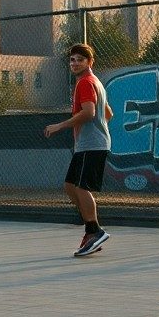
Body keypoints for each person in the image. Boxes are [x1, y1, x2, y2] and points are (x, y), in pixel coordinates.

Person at [44, 43, 115, 257]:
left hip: (91, 145)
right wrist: (99, 128)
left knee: (82, 188)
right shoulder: (95, 82)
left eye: (80, 60)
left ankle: (94, 230)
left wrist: (60, 126)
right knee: (70, 186)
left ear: (90, 62)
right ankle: (91, 229)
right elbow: (108, 114)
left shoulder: (85, 82)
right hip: (89, 144)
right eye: (72, 60)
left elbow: (90, 112)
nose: (75, 63)